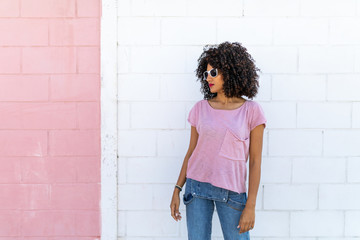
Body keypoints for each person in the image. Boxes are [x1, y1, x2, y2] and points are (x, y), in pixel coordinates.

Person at [169, 41, 267, 240]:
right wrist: (177, 188)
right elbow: (191, 151)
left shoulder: (252, 111)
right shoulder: (200, 108)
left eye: (213, 73)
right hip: (196, 189)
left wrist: (251, 205)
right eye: (206, 74)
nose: (208, 78)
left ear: (231, 72)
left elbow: (255, 162)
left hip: (232, 194)